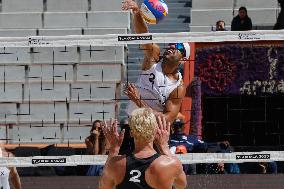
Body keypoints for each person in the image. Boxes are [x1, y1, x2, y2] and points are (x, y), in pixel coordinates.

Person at [122, 0, 189, 123]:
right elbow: (143, 35)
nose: (172, 47)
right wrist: (137, 12)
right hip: (131, 122)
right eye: (171, 44)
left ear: (183, 58)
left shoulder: (178, 87)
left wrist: (138, 100)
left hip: (153, 129)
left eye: (178, 47)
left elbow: (168, 119)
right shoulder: (153, 57)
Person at [100, 108, 187, 189]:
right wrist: (164, 147)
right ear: (155, 131)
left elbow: (104, 187)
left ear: (131, 133)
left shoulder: (115, 164)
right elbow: (181, 185)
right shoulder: (171, 164)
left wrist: (114, 149)